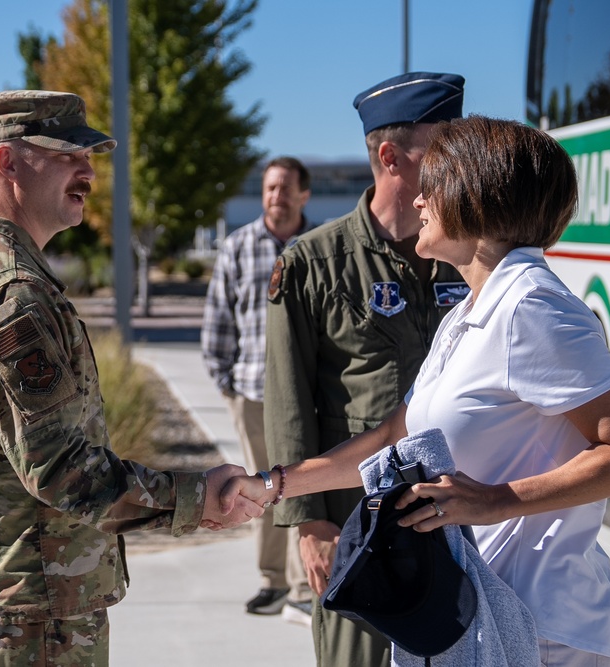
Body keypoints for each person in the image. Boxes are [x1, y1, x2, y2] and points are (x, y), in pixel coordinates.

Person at [225, 115, 610, 666]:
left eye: (434, 186)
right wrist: (275, 485)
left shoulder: (534, 307)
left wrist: (494, 501)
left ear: (475, 197)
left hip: (546, 632)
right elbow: (394, 436)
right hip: (480, 621)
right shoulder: (467, 313)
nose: (418, 202)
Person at [0, 89, 261, 667]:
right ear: (6, 162)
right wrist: (197, 497)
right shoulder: (11, 296)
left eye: (90, 155)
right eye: (65, 153)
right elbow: (63, 471)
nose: (87, 171)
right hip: (29, 615)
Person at [262, 72, 468, 666]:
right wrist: (308, 522)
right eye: (442, 146)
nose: (459, 161)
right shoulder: (313, 263)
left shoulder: (468, 256)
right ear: (390, 156)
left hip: (459, 510)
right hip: (357, 519)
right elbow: (289, 399)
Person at [201, 156, 314, 623]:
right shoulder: (237, 246)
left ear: (304, 194)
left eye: (286, 188)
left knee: (303, 486)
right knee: (260, 489)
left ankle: (305, 586)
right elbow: (218, 321)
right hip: (251, 391)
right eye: (270, 188)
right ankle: (274, 581)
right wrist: (228, 384)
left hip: (307, 392)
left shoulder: (319, 245)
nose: (277, 196)